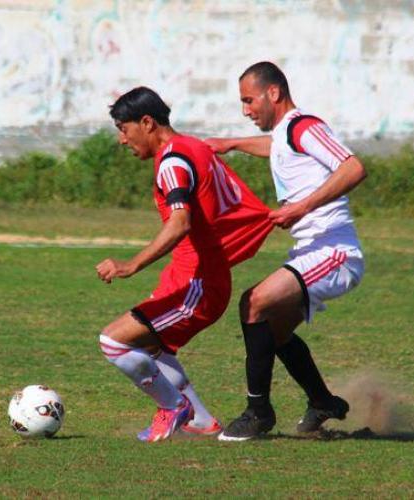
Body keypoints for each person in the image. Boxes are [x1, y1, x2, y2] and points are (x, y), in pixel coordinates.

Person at [96, 86, 274, 442]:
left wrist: (131, 265)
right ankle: (201, 420)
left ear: (146, 123)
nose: (122, 140)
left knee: (113, 342)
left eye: (123, 128)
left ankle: (174, 407)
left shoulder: (172, 162)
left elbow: (180, 222)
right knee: (148, 346)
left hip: (197, 282)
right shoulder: (191, 146)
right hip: (191, 274)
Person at [205, 61, 367, 440]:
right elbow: (278, 147)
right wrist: (232, 144)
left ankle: (258, 413)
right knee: (272, 333)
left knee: (253, 303)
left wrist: (301, 206)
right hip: (311, 249)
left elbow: (354, 167)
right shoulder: (286, 134)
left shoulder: (305, 125)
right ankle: (323, 401)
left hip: (335, 251)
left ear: (273, 93)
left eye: (249, 100)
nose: (246, 110)